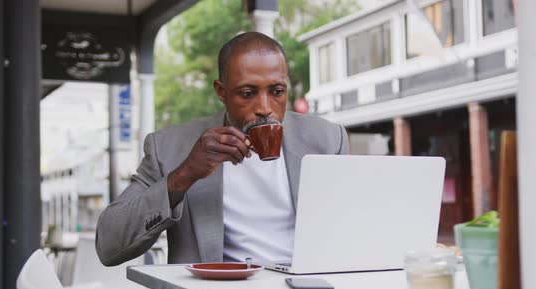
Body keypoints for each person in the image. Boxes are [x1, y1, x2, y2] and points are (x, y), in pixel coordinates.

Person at [95, 32, 349, 269]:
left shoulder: (327, 139)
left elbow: (352, 232)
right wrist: (184, 175)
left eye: (277, 92)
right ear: (221, 92)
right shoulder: (169, 147)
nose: (264, 107)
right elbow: (108, 245)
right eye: (247, 93)